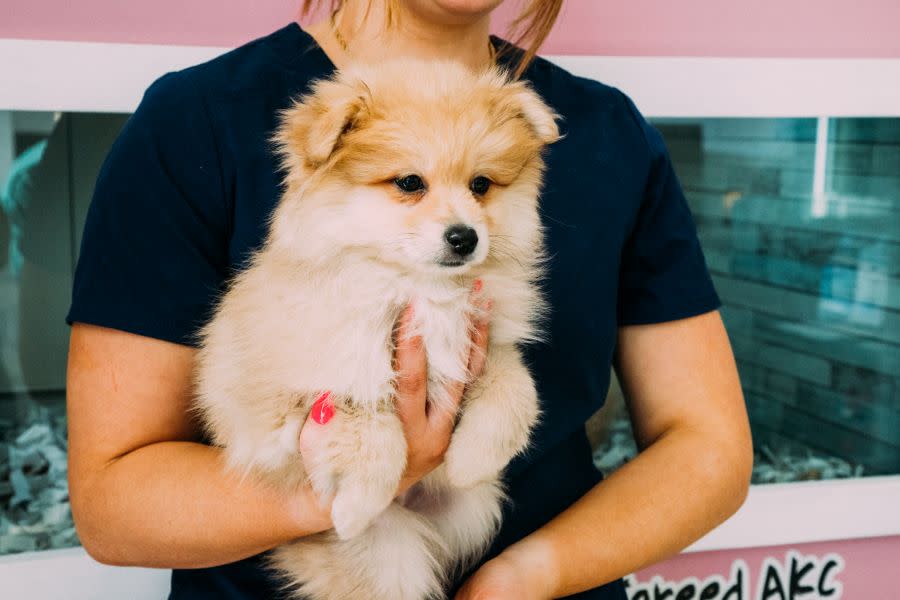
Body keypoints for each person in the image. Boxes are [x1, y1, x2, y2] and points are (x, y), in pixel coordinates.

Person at [65, 1, 753, 598]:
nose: (460, 221)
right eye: (407, 184)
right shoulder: (198, 120)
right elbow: (113, 507)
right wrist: (357, 475)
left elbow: (709, 448)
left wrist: (526, 577)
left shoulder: (605, 133)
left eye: (483, 186)